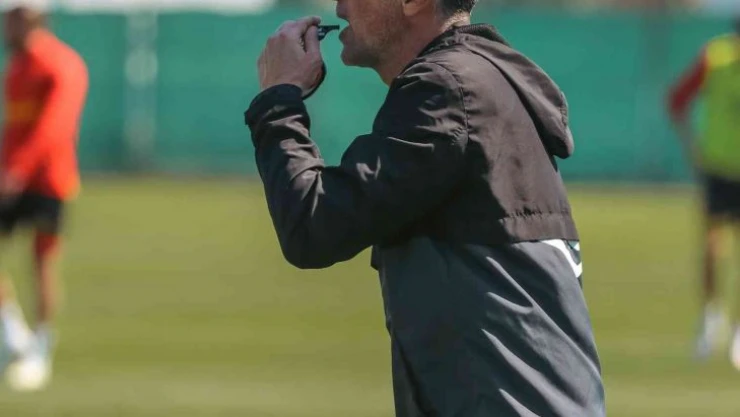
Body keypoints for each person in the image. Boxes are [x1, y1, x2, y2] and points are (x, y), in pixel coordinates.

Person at [245, 0, 605, 415]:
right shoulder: (480, 81)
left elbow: (312, 227)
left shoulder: (448, 89)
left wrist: (278, 102)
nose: (340, 4)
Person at [0, 5, 88, 391]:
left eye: (10, 20)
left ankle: (41, 347)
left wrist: (18, 167)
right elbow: (13, 127)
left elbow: (55, 126)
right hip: (12, 176)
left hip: (50, 179)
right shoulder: (17, 66)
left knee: (42, 261)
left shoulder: (61, 64)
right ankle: (12, 334)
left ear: (27, 20)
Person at [667, 17, 740, 367]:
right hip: (719, 168)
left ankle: (738, 330)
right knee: (713, 246)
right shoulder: (716, 56)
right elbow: (677, 100)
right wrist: (693, 146)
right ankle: (711, 318)